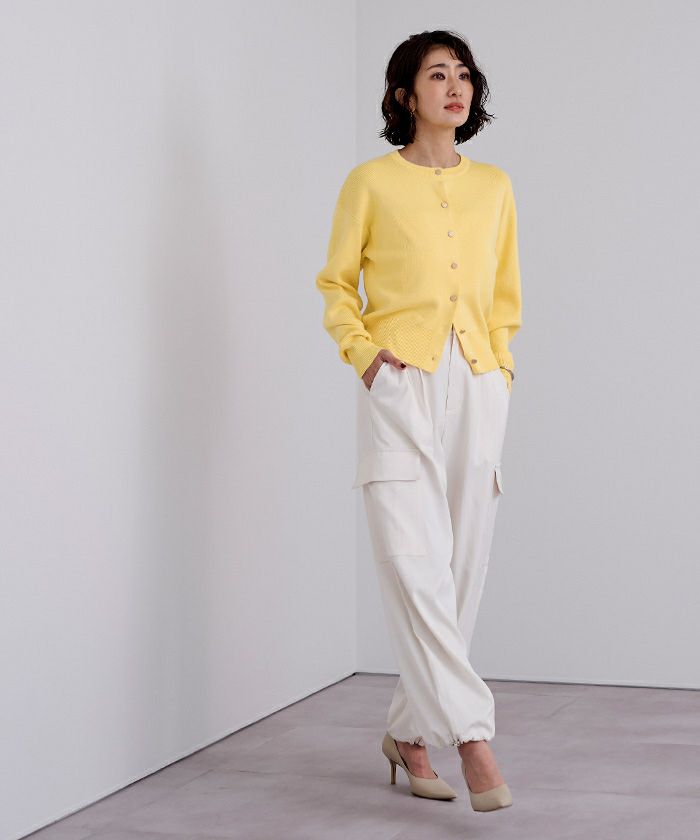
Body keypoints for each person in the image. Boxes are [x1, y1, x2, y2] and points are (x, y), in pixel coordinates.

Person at [315, 29, 522, 813]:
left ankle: (408, 731)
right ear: (405, 95)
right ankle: (472, 739)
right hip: (401, 382)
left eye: (463, 74)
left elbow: (505, 293)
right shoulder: (369, 183)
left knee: (461, 571)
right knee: (413, 561)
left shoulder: (494, 186)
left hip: (477, 381)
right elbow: (337, 285)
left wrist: (500, 372)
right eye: (438, 75)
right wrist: (366, 357)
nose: (455, 86)